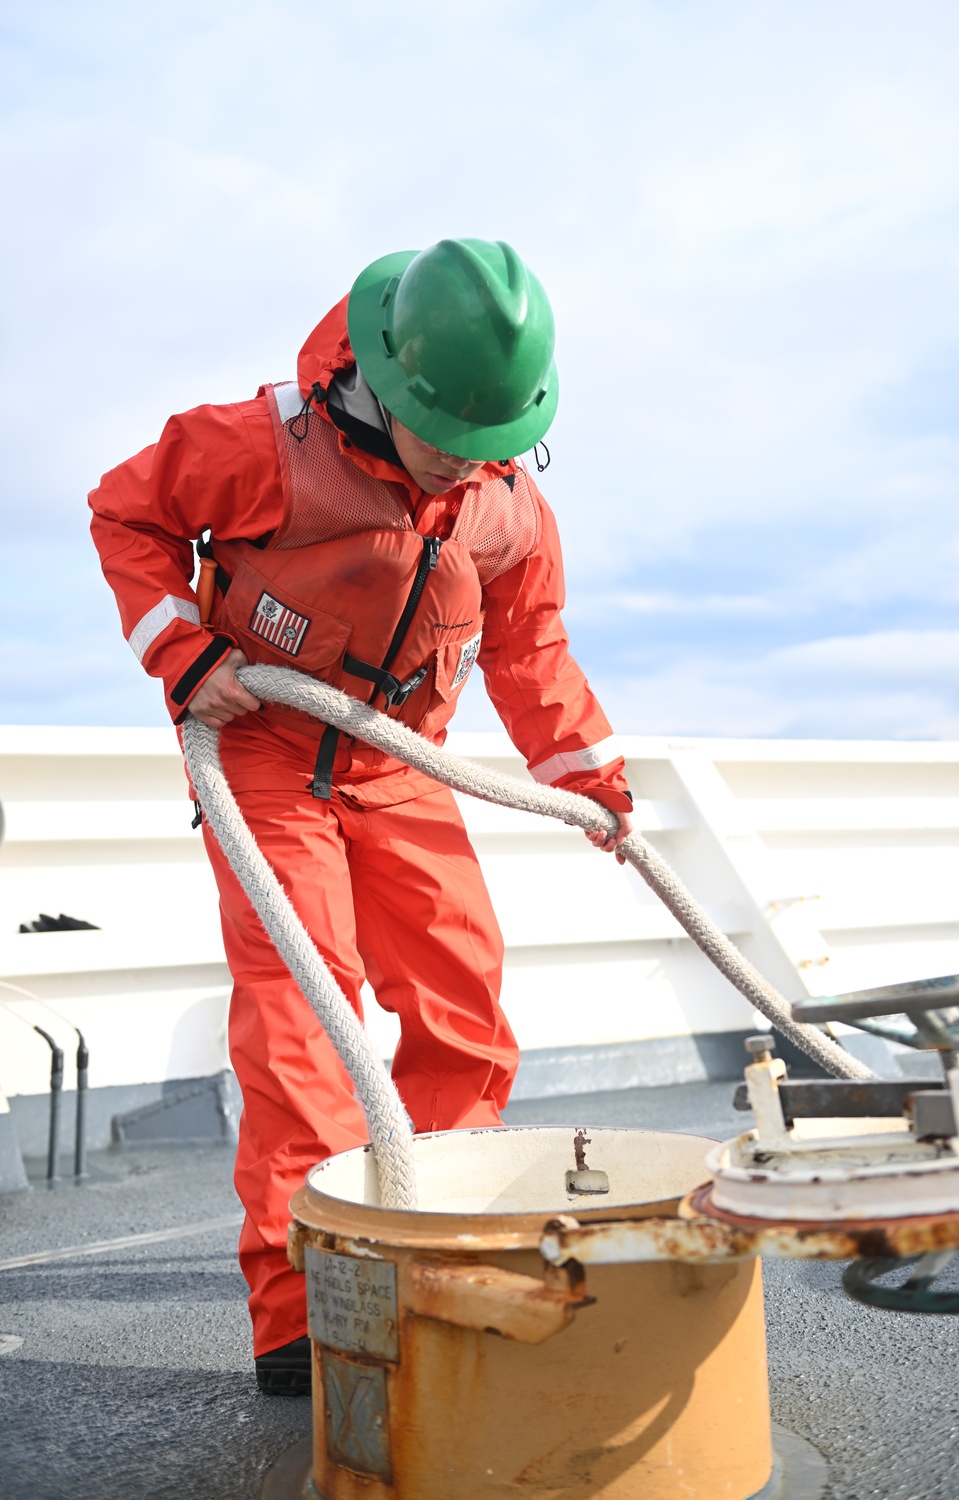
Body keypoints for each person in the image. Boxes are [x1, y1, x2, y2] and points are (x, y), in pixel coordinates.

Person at [89, 238, 633, 1394]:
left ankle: (439, 1247)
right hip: (266, 751)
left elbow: (533, 650)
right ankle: (302, 1308)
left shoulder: (504, 507)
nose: (463, 473)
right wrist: (183, 654)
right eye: (450, 445)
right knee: (306, 1019)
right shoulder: (252, 449)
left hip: (399, 763)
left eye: (493, 448)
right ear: (383, 388)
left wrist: (588, 775)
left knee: (464, 1002)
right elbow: (124, 518)